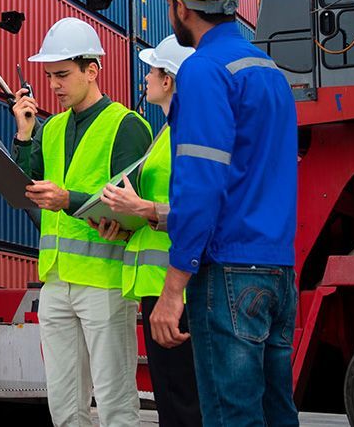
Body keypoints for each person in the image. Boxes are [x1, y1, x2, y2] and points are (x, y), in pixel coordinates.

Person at [146, 0, 299, 427]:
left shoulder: (205, 71)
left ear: (181, 5)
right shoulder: (271, 73)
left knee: (232, 418)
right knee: (276, 414)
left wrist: (173, 289)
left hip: (229, 272)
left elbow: (201, 184)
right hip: (278, 271)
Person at [12, 17, 152, 427]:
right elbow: (27, 185)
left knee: (115, 401)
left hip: (104, 283)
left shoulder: (126, 126)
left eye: (62, 75)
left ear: (92, 70)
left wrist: (66, 199)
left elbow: (136, 206)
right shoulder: (50, 127)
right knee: (65, 404)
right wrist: (23, 135)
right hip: (56, 283)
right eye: (49, 76)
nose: (54, 85)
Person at [95, 35, 202, 427]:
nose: (145, 79)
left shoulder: (188, 134)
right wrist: (124, 226)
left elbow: (203, 209)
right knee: (173, 402)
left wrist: (141, 208)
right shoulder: (166, 133)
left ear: (169, 80)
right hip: (157, 284)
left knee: (185, 403)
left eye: (151, 70)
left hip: (179, 288)